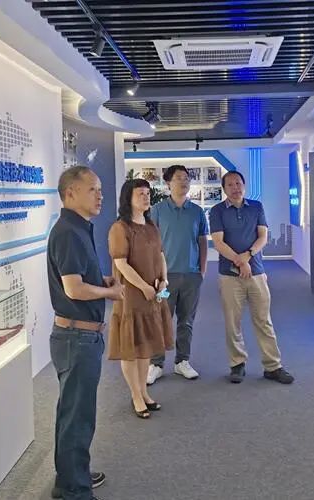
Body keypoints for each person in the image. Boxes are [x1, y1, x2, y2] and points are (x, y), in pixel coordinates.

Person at [47, 166, 125, 500]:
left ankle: (72, 475)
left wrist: (100, 280)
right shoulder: (69, 232)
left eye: (100, 189)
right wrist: (110, 292)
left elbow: (79, 278)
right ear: (70, 193)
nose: (100, 195)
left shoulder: (78, 228)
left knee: (74, 413)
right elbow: (74, 289)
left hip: (79, 337)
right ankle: (73, 490)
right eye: (92, 189)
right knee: (77, 418)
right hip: (76, 338)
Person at [209, 171, 294, 385]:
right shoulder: (217, 211)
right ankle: (237, 364)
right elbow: (218, 242)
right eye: (230, 184)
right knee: (233, 322)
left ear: (244, 186)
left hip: (256, 272)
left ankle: (273, 366)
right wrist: (239, 262)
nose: (235, 188)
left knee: (264, 320)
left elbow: (263, 237)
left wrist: (247, 256)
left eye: (238, 183)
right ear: (224, 189)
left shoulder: (256, 207)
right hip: (229, 275)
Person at [108, 178, 174, 418]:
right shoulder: (120, 228)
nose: (146, 197)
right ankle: (136, 395)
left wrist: (164, 280)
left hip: (154, 293)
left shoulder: (151, 225)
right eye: (141, 194)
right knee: (131, 347)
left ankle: (144, 392)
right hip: (131, 296)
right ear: (128, 198)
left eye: (148, 193)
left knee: (145, 345)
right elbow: (121, 263)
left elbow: (161, 255)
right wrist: (144, 287)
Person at [147, 165, 208, 384]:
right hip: (165, 279)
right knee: (160, 319)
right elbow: (150, 243)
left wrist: (202, 271)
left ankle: (182, 361)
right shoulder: (157, 210)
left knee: (187, 320)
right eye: (179, 178)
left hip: (191, 277)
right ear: (168, 183)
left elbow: (202, 242)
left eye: (186, 178)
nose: (184, 182)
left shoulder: (197, 212)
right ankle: (156, 363)